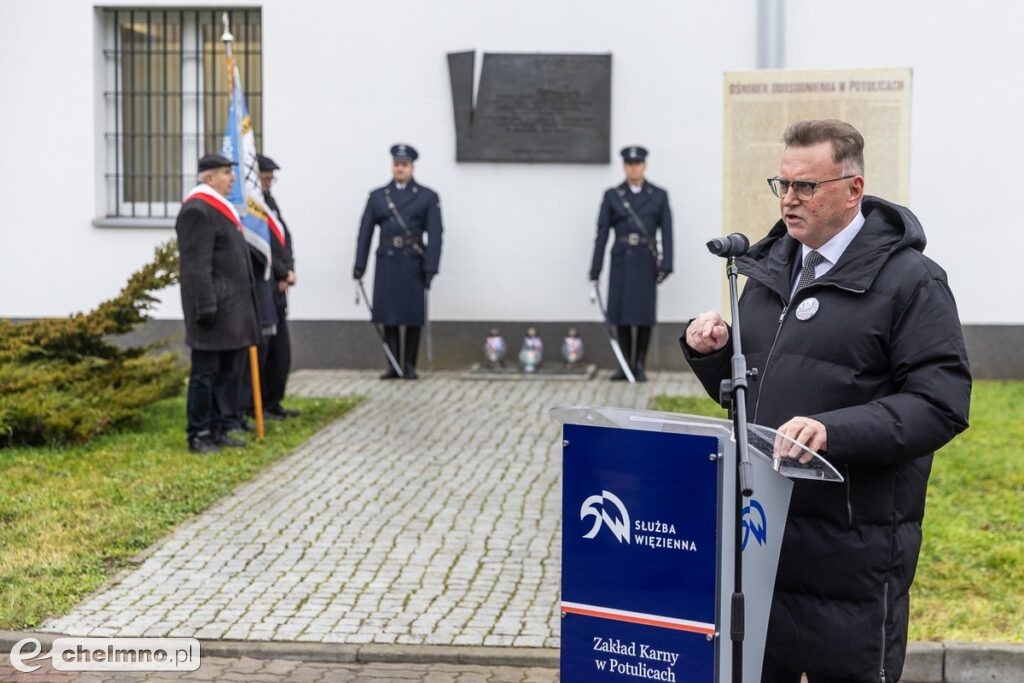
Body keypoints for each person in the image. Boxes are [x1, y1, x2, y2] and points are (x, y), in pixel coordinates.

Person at [681, 120, 971, 682]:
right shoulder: (768, 270)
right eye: (782, 184)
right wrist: (714, 354)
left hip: (851, 549)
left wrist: (833, 431)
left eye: (806, 187)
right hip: (762, 535)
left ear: (853, 189)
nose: (788, 199)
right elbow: (756, 394)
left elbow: (941, 403)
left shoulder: (912, 282)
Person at [176, 153, 261, 453]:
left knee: (226, 373)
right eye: (226, 172)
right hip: (213, 310)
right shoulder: (197, 210)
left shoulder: (221, 209)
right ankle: (198, 433)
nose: (232, 178)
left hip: (232, 310)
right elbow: (195, 266)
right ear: (208, 178)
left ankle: (220, 427)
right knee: (204, 375)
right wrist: (206, 305)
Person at [353, 144, 443, 380]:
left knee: (412, 316)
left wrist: (431, 267)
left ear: (412, 167)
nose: (400, 169)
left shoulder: (426, 196)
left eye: (404, 165)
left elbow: (435, 235)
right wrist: (359, 265)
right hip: (388, 261)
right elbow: (365, 232)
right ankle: (393, 365)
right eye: (396, 165)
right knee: (389, 316)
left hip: (413, 262)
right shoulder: (378, 196)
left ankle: (410, 365)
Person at [589, 145, 673, 382]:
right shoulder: (613, 196)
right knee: (622, 314)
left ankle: (639, 365)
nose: (633, 168)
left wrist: (667, 263)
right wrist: (595, 269)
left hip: (645, 260)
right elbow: (602, 234)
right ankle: (625, 366)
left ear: (644, 166)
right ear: (624, 166)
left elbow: (667, 231)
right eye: (629, 164)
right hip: (621, 260)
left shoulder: (658, 195)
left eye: (637, 164)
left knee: (643, 314)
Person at [257, 153, 298, 419]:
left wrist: (290, 268)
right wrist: (283, 271)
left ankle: (273, 401)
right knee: (266, 349)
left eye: (272, 178)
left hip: (280, 285)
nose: (269, 182)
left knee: (282, 351)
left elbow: (284, 237)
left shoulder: (269, 202)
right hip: (266, 285)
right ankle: (256, 405)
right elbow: (264, 244)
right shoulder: (252, 206)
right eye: (265, 177)